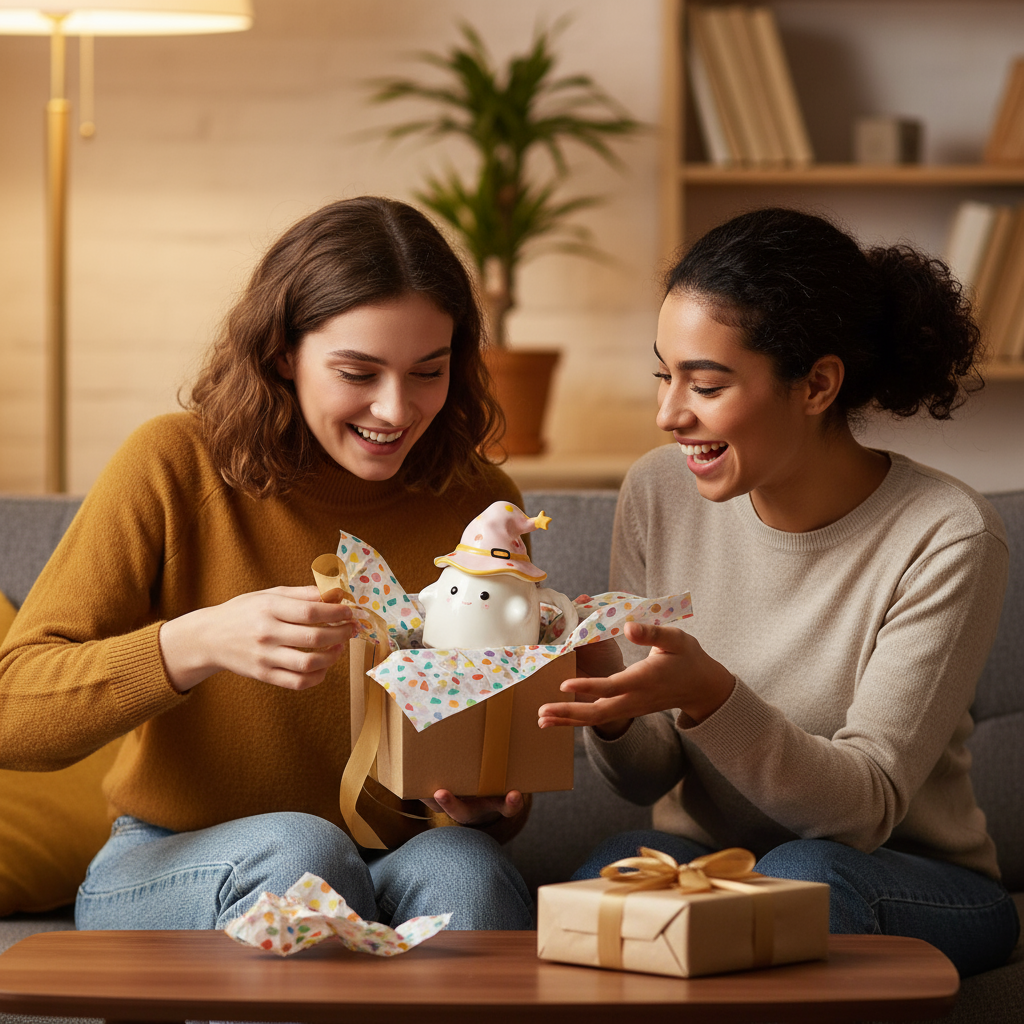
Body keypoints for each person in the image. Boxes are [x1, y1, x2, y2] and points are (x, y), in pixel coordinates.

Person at [0, 196, 535, 931]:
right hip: (168, 860)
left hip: (392, 855)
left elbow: (494, 775)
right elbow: (11, 714)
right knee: (302, 853)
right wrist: (197, 641)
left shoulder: (482, 505)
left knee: (468, 869)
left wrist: (488, 803)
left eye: (428, 372)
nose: (396, 409)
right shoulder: (171, 464)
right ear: (284, 352)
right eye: (357, 372)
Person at [538, 207, 1021, 976]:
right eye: (665, 375)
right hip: (708, 860)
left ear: (817, 384)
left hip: (906, 876)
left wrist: (712, 696)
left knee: (805, 877)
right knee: (613, 870)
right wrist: (603, 676)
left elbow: (863, 810)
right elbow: (644, 780)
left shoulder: (945, 534)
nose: (669, 414)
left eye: (706, 383)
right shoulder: (659, 493)